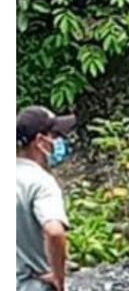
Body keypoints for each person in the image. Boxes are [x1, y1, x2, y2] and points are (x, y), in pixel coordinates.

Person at [17, 106, 77, 291]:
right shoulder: (41, 182)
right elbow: (54, 232)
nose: (59, 141)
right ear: (40, 141)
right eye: (55, 135)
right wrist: (58, 277)